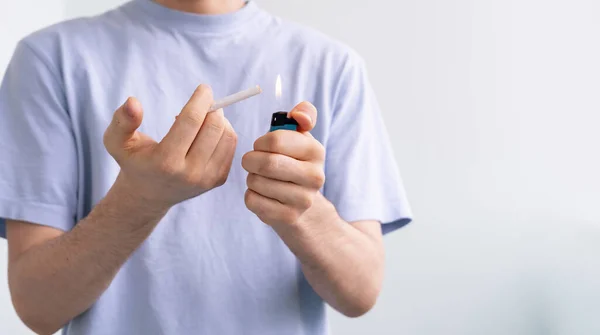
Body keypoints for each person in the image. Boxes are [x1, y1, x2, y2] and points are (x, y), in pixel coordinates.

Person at [0, 0, 412, 334]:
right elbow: (38, 308)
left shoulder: (334, 66)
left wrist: (303, 213)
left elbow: (360, 292)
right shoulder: (51, 59)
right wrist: (140, 200)